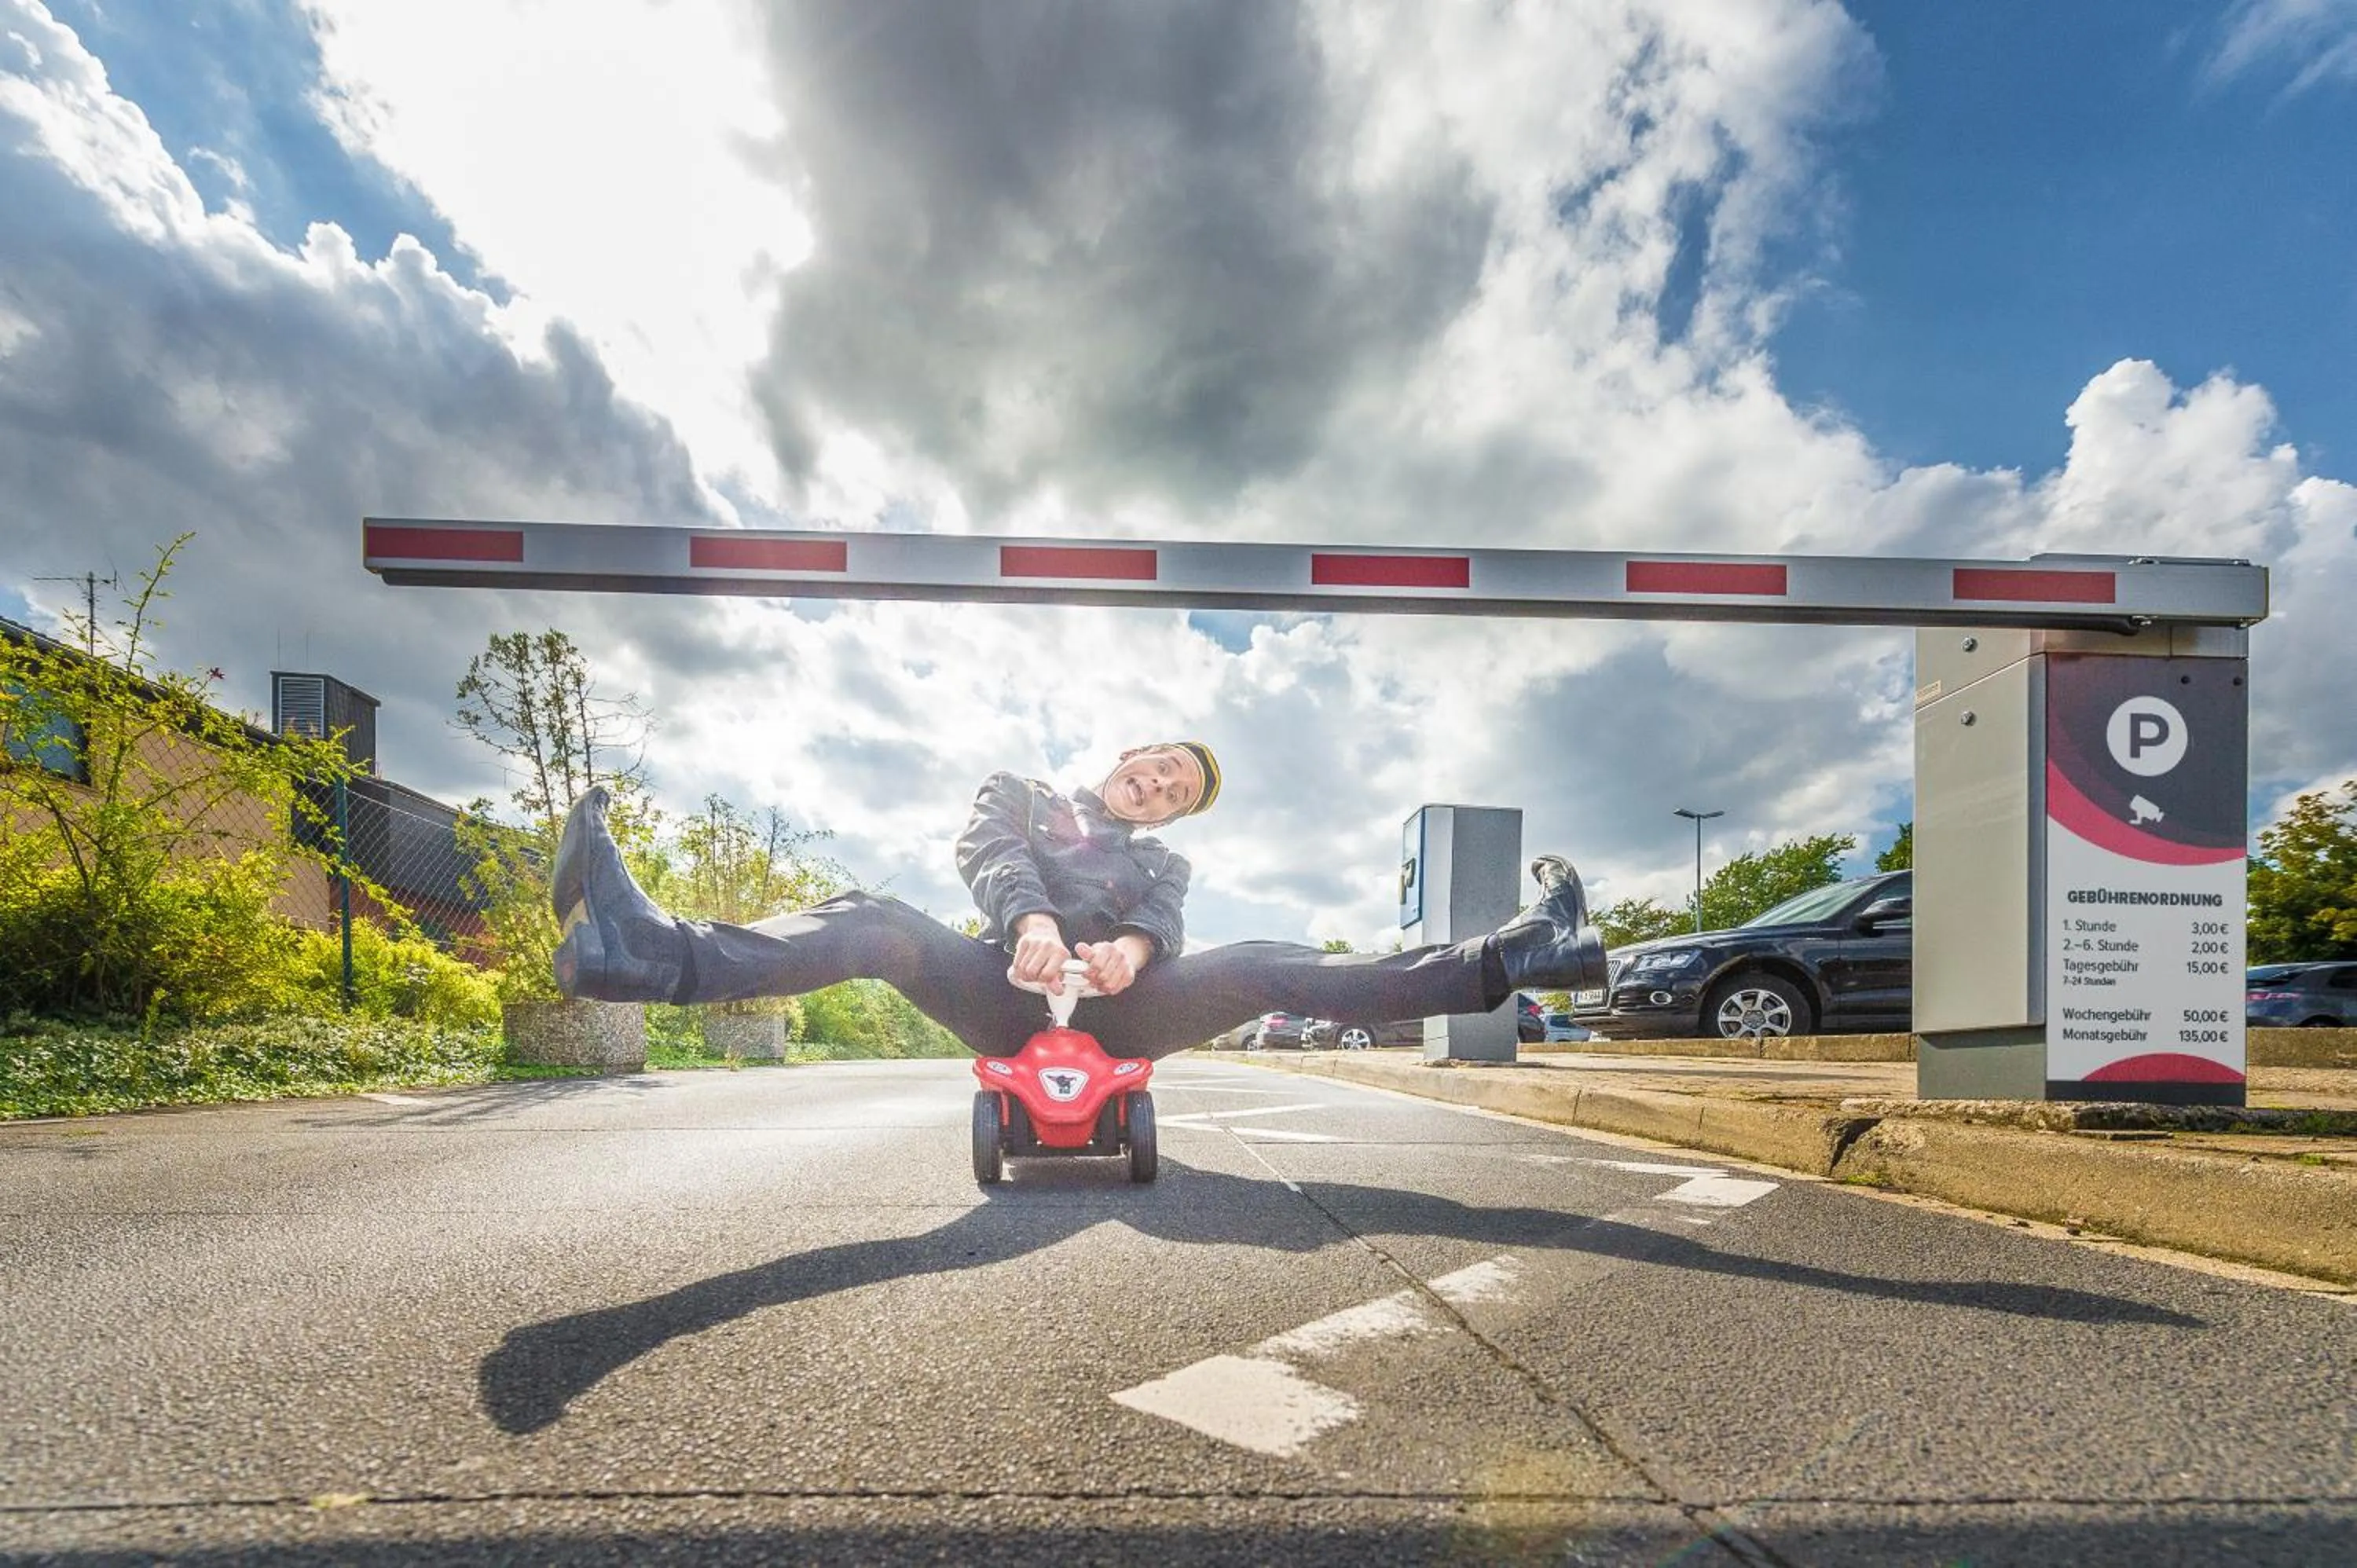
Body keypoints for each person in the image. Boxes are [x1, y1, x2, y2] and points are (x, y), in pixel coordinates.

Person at [550, 741, 1607, 1061]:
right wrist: (1037, 928)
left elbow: (1165, 928)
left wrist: (1131, 959)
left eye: (1180, 792)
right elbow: (990, 850)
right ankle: (647, 952)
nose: (1160, 784)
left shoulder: (1163, 870)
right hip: (1003, 990)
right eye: (1159, 767)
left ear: (1175, 822)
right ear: (1126, 757)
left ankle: (1519, 957)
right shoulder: (1020, 794)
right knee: (870, 916)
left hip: (1123, 1010)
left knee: (1268, 956)